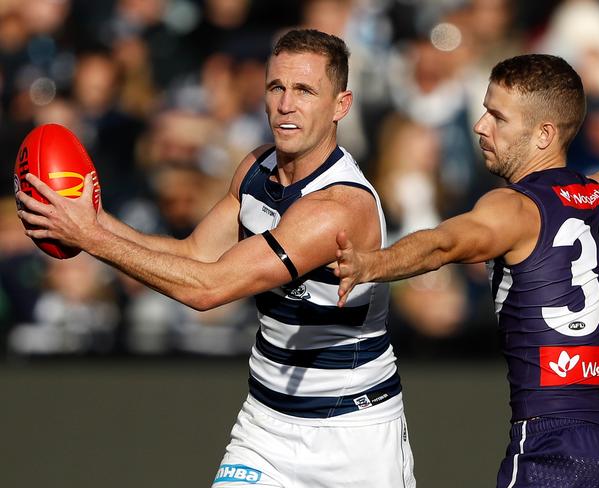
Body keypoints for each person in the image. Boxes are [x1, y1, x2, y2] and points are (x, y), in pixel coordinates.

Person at [16, 29, 416, 488]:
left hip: (352, 437)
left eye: (305, 91)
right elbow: (194, 254)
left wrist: (91, 238)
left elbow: (208, 288)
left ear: (340, 106)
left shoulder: (338, 208)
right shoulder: (255, 168)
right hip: (265, 426)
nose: (286, 104)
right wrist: (94, 222)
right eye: (276, 87)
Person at [336, 54, 599, 487]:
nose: (481, 126)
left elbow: (443, 243)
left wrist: (371, 262)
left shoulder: (516, 208)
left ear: (544, 135)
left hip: (554, 443)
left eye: (498, 117)